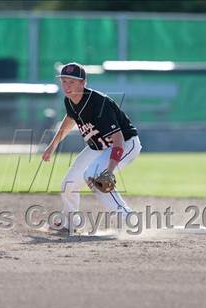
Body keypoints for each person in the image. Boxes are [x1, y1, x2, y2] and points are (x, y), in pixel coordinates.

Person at [42, 62, 142, 232]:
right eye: (64, 81)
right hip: (99, 147)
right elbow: (69, 120)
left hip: (126, 144)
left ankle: (128, 220)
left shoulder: (98, 104)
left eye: (72, 82)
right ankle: (71, 222)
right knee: (68, 184)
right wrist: (53, 145)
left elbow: (117, 139)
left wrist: (109, 171)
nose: (67, 86)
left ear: (83, 83)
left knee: (96, 177)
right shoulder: (71, 100)